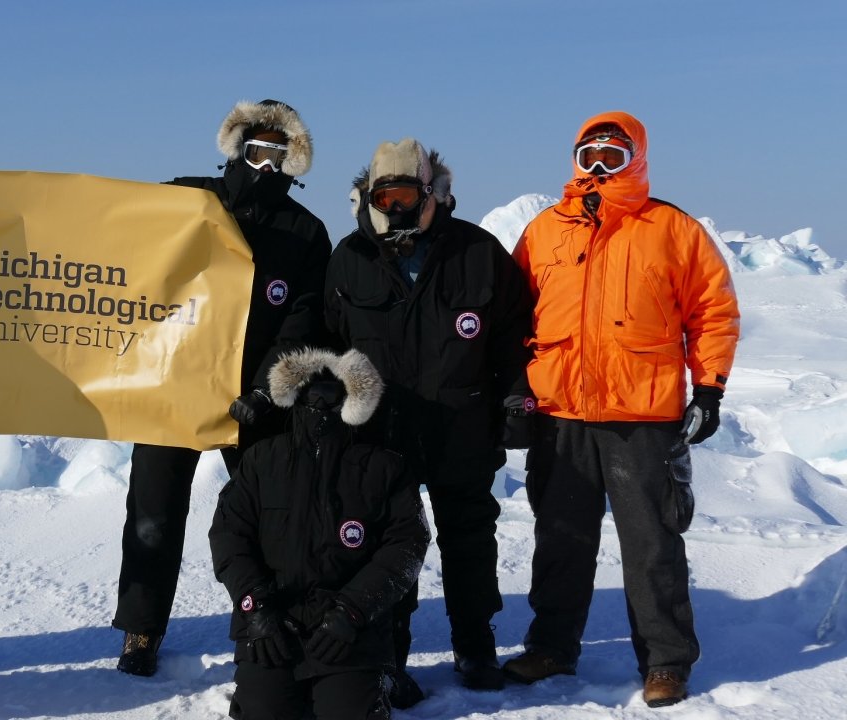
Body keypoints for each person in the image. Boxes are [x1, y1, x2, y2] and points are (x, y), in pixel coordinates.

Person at [501, 111, 740, 708]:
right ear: (574, 160)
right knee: (560, 539)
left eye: (614, 153)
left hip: (642, 413)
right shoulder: (543, 231)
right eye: (589, 155)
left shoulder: (671, 227)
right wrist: (514, 391)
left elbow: (712, 311)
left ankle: (666, 662)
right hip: (560, 411)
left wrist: (708, 389)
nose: (600, 166)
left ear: (637, 157)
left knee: (652, 543)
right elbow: (511, 316)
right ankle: (553, 647)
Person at [310, 139, 533, 703]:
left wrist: (516, 398)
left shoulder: (478, 253)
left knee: (469, 537)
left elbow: (515, 339)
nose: (399, 207)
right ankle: (390, 654)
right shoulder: (349, 259)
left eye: (410, 193)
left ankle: (475, 644)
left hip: (463, 424)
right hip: (381, 431)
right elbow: (329, 343)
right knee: (389, 544)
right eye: (387, 195)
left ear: (435, 192)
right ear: (367, 197)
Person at [114, 99, 333, 676]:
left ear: (295, 160)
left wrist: (267, 391)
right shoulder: (190, 200)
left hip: (254, 401)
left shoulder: (305, 233)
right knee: (153, 515)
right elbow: (116, 225)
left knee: (270, 515)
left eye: (279, 154)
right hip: (175, 389)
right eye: (257, 149)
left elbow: (300, 321)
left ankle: (276, 617)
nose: (266, 163)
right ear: (237, 148)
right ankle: (141, 630)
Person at [209, 347, 429, 720]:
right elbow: (229, 537)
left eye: (333, 396)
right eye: (312, 396)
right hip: (273, 623)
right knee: (264, 712)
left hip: (349, 628)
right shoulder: (262, 460)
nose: (321, 405)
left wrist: (353, 611)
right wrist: (255, 607)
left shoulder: (383, 467)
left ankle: (377, 685)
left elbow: (407, 546)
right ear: (294, 396)